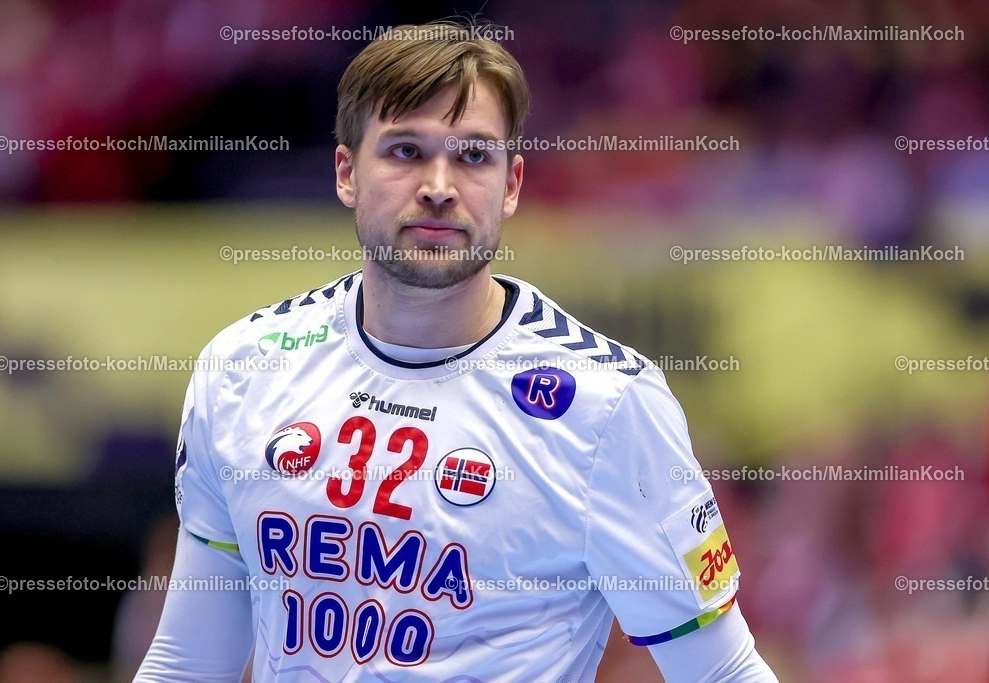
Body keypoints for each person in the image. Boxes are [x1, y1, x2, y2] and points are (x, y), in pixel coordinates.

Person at [136, 20, 777, 682]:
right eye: (406, 151)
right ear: (347, 172)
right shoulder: (245, 365)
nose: (439, 184)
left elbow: (723, 671)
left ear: (512, 183)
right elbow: (189, 661)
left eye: (473, 155)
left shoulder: (607, 405)